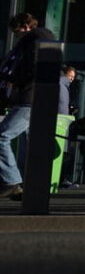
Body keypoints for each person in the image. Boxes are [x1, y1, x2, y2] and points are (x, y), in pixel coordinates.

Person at [0, 13, 57, 198]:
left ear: (25, 26)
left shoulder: (35, 40)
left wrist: (15, 81)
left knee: (2, 136)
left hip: (29, 98)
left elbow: (32, 69)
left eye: (16, 31)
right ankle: (28, 186)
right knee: (30, 145)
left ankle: (12, 181)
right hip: (30, 98)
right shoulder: (35, 40)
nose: (15, 35)